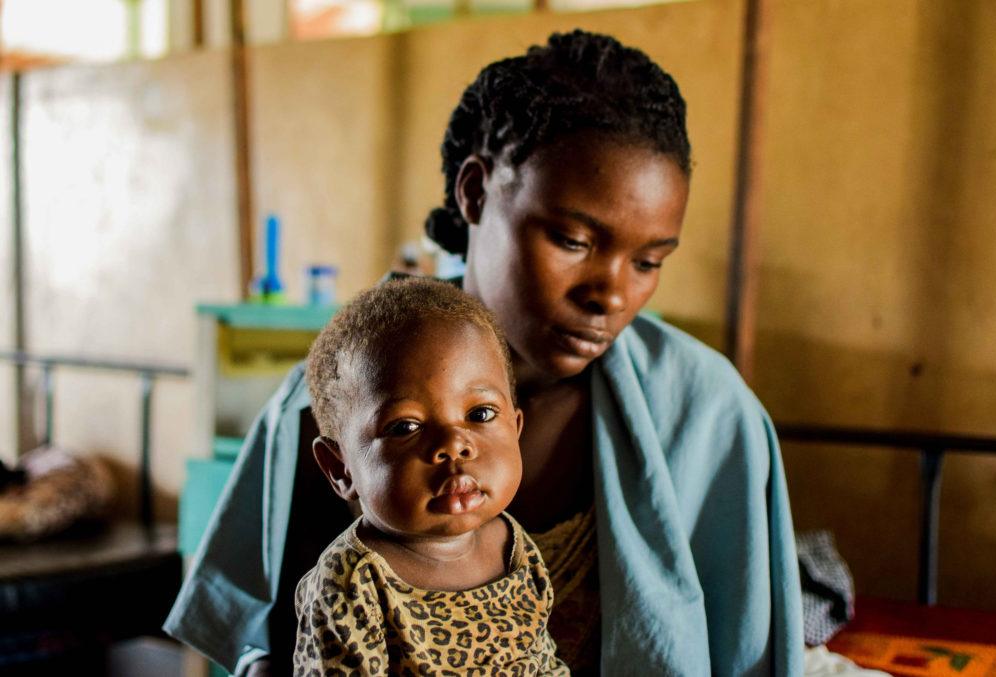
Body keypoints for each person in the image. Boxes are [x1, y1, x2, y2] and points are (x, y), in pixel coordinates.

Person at [165, 29, 803, 676]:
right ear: (475, 191)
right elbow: (281, 645)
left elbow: (750, 655)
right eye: (574, 239)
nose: (609, 294)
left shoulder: (710, 416)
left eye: (647, 261)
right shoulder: (339, 398)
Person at [294, 278, 567, 675]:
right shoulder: (354, 583)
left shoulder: (515, 546)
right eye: (405, 427)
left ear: (516, 428)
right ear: (340, 469)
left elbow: (542, 661)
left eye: (481, 414)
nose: (455, 444)